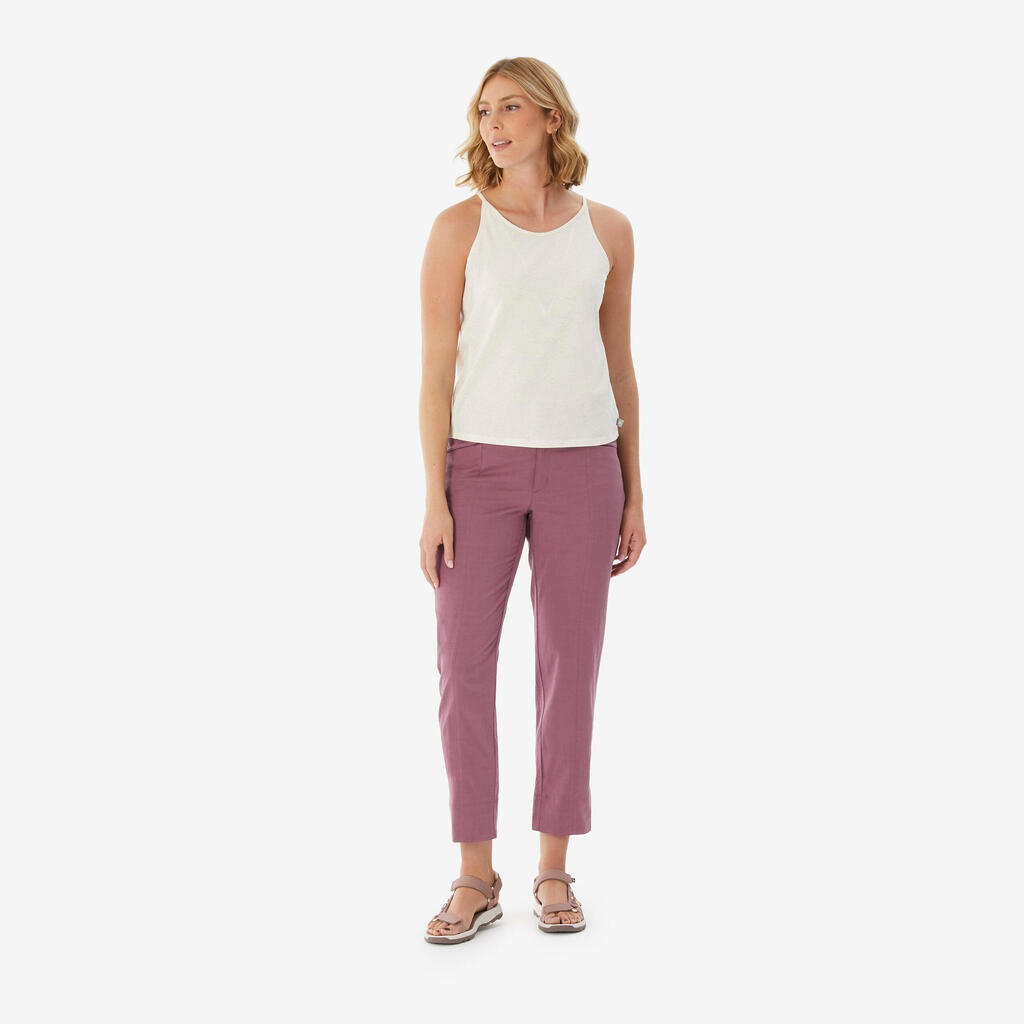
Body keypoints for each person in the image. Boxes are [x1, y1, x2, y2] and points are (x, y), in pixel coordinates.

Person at [418, 57, 646, 944]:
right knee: (463, 671)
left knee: (569, 670)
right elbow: (437, 372)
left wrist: (635, 488)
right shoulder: (458, 228)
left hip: (586, 469)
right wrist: (433, 497)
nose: (494, 125)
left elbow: (620, 366)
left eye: (510, 107)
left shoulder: (609, 230)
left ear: (552, 118)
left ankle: (554, 867)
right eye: (484, 111)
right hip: (477, 471)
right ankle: (475, 875)